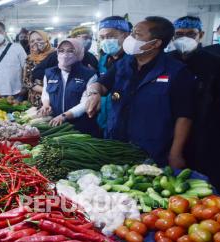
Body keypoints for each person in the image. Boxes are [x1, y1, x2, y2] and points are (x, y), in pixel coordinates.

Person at [85, 16, 196, 168]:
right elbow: (101, 85)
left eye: (137, 34)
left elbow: (184, 116)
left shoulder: (176, 72)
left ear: (155, 43)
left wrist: (175, 153)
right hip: (117, 143)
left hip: (153, 149)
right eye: (132, 33)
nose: (130, 38)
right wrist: (94, 94)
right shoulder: (123, 64)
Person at [168, 16, 220, 186]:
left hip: (205, 128)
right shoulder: (167, 61)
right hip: (170, 127)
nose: (184, 38)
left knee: (204, 176)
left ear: (201, 34)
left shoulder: (213, 62)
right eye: (179, 34)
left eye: (191, 34)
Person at [39, 38, 99, 136]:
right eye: (61, 51)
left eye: (71, 51)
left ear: (79, 53)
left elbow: (85, 103)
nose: (65, 55)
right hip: (56, 125)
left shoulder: (89, 75)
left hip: (79, 126)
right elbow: (46, 92)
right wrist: (46, 104)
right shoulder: (50, 73)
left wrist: (64, 116)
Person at [96, 16, 132, 132]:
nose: (106, 40)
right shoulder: (103, 60)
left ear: (126, 35)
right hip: (104, 119)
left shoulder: (133, 60)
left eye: (110, 36)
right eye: (102, 37)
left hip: (126, 120)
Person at [23, 30, 57, 107]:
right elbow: (26, 80)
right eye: (32, 41)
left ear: (46, 40)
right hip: (35, 99)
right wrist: (44, 91)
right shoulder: (29, 59)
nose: (35, 43)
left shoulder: (57, 55)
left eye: (39, 39)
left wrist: (49, 92)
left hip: (54, 97)